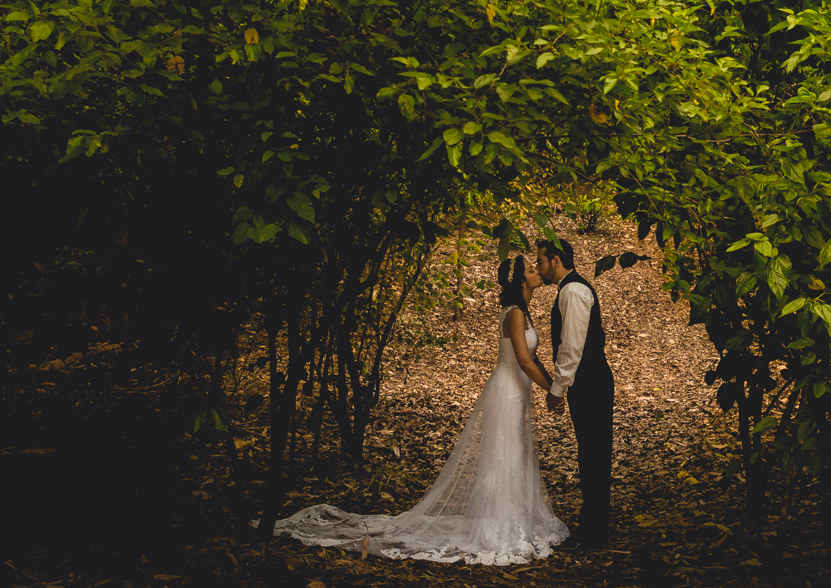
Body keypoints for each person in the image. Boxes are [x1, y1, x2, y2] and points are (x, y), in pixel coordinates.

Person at [259, 254, 569, 565]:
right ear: (519, 281)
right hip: (507, 391)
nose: (537, 272)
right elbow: (524, 361)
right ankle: (502, 526)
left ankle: (510, 519)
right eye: (531, 270)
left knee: (514, 453)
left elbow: (530, 360)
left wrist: (552, 387)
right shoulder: (514, 314)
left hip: (518, 389)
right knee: (506, 454)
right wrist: (555, 391)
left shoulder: (522, 312)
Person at [536, 238, 615, 550]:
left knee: (594, 454)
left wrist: (557, 389)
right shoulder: (569, 290)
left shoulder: (573, 291)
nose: (539, 268)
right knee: (591, 453)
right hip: (589, 381)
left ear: (556, 261)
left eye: (541, 261)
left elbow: (571, 347)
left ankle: (593, 532)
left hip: (591, 381)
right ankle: (594, 527)